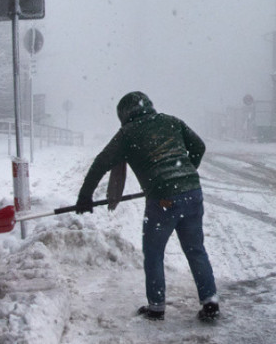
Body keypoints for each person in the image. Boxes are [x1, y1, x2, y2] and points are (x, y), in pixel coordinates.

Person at [75, 91, 220, 322]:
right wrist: (183, 173)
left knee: (154, 253)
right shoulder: (171, 121)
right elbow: (199, 147)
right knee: (195, 249)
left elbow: (101, 162)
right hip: (192, 192)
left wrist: (85, 196)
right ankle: (210, 301)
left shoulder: (127, 133)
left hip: (162, 199)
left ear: (123, 115)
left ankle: (156, 307)